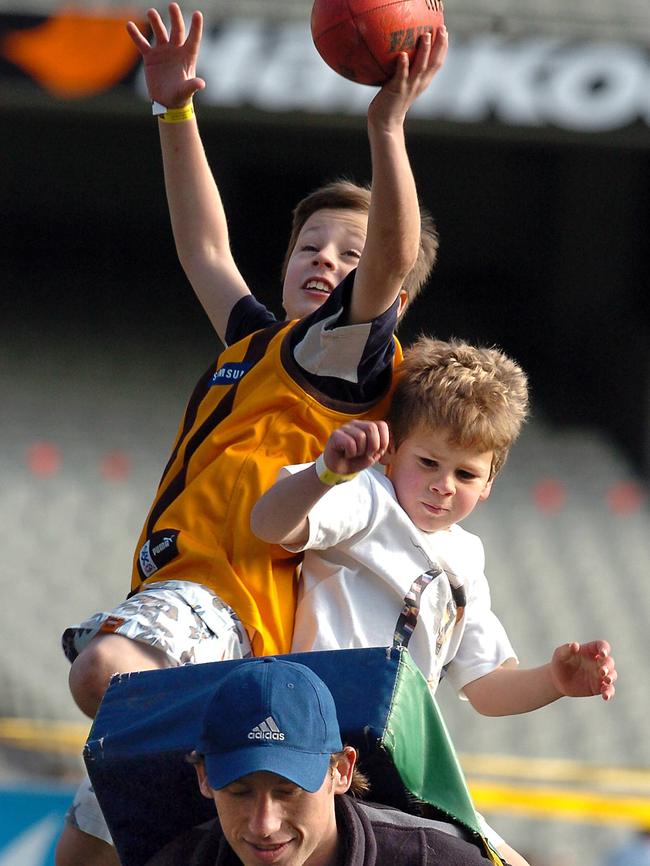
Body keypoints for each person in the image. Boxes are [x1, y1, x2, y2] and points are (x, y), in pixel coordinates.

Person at [55, 5, 448, 865]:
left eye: (347, 255)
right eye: (310, 245)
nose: (325, 262)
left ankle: (242, 744)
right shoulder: (261, 348)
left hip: (221, 599)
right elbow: (203, 247)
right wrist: (173, 110)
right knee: (78, 853)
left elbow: (389, 260)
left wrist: (387, 128)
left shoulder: (346, 359)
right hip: (199, 612)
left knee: (103, 674)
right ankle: (242, 764)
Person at [251, 335, 618, 865]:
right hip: (322, 722)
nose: (443, 485)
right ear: (394, 448)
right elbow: (268, 524)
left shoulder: (468, 557)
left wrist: (555, 681)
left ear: (490, 481)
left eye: (466, 474)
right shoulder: (367, 498)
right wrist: (326, 472)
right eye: (428, 463)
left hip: (401, 753)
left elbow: (488, 686)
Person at [144, 656, 497, 866]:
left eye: (288, 791)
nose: (263, 825)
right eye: (239, 791)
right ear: (204, 777)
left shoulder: (429, 859)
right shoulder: (180, 861)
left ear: (341, 770)